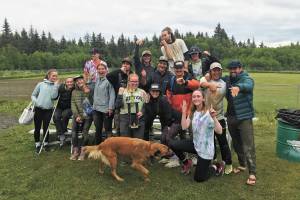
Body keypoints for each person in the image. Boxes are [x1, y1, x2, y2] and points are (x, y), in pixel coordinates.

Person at [169, 90, 225, 182]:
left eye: (198, 96)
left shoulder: (209, 113)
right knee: (173, 144)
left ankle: (216, 166)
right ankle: (187, 163)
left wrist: (214, 117)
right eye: (194, 96)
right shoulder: (193, 112)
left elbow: (219, 131)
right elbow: (184, 127)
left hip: (206, 150)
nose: (196, 98)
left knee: (199, 178)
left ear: (203, 98)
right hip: (195, 145)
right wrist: (183, 113)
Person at [224, 60, 256, 186]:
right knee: (237, 143)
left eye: (235, 68)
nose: (233, 71)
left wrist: (239, 87)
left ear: (240, 68)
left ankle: (252, 172)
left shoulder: (246, 78)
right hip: (231, 117)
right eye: (231, 69)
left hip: (244, 118)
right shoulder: (228, 80)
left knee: (248, 145)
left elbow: (248, 85)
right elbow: (215, 76)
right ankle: (242, 164)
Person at [200, 62, 233, 174]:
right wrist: (209, 84)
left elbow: (216, 94)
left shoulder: (223, 84)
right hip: (206, 117)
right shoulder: (205, 80)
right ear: (210, 71)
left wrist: (210, 86)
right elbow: (201, 83)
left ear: (221, 71)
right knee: (209, 141)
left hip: (218, 117)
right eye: (214, 70)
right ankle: (212, 160)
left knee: (223, 142)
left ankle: (228, 163)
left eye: (219, 70)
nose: (217, 72)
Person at [31, 69, 59, 153]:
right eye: (53, 75)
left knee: (46, 128)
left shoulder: (55, 86)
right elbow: (33, 95)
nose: (55, 77)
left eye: (56, 76)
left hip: (48, 110)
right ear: (48, 75)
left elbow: (54, 97)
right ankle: (37, 144)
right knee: (37, 127)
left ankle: (46, 144)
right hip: (39, 109)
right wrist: (36, 102)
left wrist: (55, 86)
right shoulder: (40, 84)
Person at [115, 73, 148, 139]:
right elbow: (117, 106)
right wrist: (120, 95)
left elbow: (146, 105)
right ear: (128, 82)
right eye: (132, 81)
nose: (135, 83)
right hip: (125, 118)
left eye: (136, 81)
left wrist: (142, 112)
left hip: (138, 118)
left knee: (138, 142)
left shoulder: (142, 92)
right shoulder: (123, 91)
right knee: (125, 142)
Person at [106, 57, 133, 135]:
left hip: (129, 103)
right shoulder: (117, 74)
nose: (125, 65)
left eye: (127, 64)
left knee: (129, 125)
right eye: (124, 63)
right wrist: (120, 70)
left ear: (130, 66)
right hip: (119, 104)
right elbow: (108, 76)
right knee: (118, 126)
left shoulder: (132, 74)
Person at [70, 75, 93, 161]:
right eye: (77, 81)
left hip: (87, 115)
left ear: (84, 80)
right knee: (73, 132)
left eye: (81, 80)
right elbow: (73, 104)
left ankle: (83, 151)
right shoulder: (74, 92)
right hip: (77, 116)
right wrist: (77, 116)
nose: (79, 82)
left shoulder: (89, 89)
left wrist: (86, 91)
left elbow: (90, 102)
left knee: (85, 132)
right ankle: (75, 150)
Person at [93, 62, 115, 144]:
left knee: (108, 129)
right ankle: (97, 146)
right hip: (96, 109)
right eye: (99, 69)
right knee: (98, 129)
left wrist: (110, 108)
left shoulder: (109, 80)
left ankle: (110, 146)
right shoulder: (97, 79)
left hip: (106, 109)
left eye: (102, 69)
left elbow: (112, 94)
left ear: (106, 70)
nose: (101, 71)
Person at [53, 77, 74, 147]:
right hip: (59, 107)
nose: (70, 83)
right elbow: (55, 97)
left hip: (69, 108)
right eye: (68, 82)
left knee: (65, 115)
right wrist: (55, 86)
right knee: (56, 116)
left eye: (71, 82)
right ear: (65, 82)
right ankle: (61, 134)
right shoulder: (61, 87)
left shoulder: (74, 89)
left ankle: (63, 132)